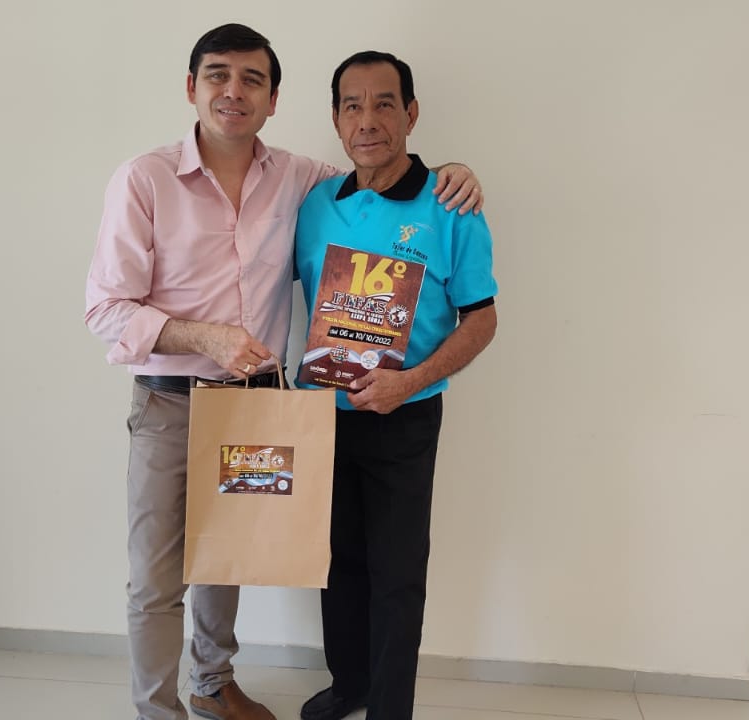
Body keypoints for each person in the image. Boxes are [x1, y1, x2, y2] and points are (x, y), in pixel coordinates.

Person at [84, 25, 483, 720]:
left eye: (253, 79)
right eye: (218, 75)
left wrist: (454, 171)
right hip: (171, 403)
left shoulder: (302, 181)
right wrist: (203, 336)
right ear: (192, 87)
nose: (233, 92)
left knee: (227, 557)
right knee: (156, 579)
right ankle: (157, 712)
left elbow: (381, 174)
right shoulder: (144, 179)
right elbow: (105, 310)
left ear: (273, 99)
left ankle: (213, 686)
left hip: (257, 406)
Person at [292, 51, 499, 720]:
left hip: (404, 418)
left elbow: (482, 319)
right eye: (352, 105)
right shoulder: (315, 203)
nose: (367, 120)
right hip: (321, 414)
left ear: (410, 113)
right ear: (335, 119)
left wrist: (409, 381)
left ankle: (388, 708)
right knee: (334, 563)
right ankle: (349, 683)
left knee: (397, 575)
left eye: (384, 103)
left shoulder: (451, 205)